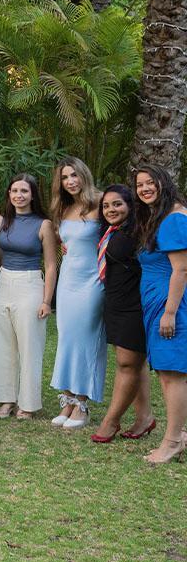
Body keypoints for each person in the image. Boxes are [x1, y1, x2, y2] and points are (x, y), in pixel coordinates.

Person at [0, 174, 57, 420]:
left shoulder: (44, 225)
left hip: (30, 283)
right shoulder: (1, 222)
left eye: (24, 191)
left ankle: (27, 404)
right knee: (3, 344)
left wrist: (46, 301)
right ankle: (7, 399)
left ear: (33, 195)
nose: (19, 195)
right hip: (3, 281)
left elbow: (50, 265)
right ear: (8, 194)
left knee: (29, 347)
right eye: (14, 190)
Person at [133, 165, 187, 464]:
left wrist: (170, 312)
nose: (144, 189)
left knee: (172, 376)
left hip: (171, 307)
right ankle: (180, 434)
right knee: (171, 374)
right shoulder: (162, 217)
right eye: (140, 185)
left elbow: (182, 269)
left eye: (150, 182)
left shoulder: (175, 218)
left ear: (164, 183)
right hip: (157, 305)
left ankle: (172, 441)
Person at [93, 184, 154, 443]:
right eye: (106, 205)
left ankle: (111, 421)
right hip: (115, 304)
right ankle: (145, 417)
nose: (111, 209)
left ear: (130, 205)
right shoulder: (110, 231)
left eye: (117, 204)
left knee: (127, 364)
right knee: (134, 362)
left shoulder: (140, 231)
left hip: (134, 305)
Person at [49, 157, 105, 430]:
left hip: (93, 281)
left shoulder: (101, 202)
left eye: (74, 175)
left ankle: (82, 403)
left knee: (86, 339)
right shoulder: (63, 209)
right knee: (68, 338)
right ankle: (68, 399)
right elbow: (66, 244)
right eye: (65, 177)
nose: (70, 181)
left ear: (84, 174)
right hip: (68, 280)